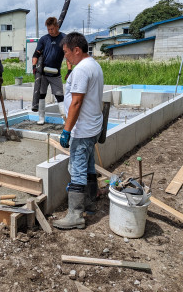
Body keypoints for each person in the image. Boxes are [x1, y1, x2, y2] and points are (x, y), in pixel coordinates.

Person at [52, 32, 104, 230]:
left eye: (66, 52)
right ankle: (89, 203)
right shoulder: (94, 64)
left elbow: (76, 102)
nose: (65, 57)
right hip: (92, 127)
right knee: (89, 165)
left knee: (77, 170)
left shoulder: (82, 70)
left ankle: (75, 215)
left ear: (77, 50)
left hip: (82, 130)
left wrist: (67, 130)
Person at [31, 17, 66, 125]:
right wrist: (34, 67)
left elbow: (68, 55)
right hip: (43, 73)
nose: (50, 31)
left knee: (60, 96)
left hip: (56, 73)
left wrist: (69, 70)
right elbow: (36, 54)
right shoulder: (44, 39)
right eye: (48, 29)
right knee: (41, 94)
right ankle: (41, 118)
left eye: (52, 29)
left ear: (57, 26)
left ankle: (65, 118)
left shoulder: (64, 38)